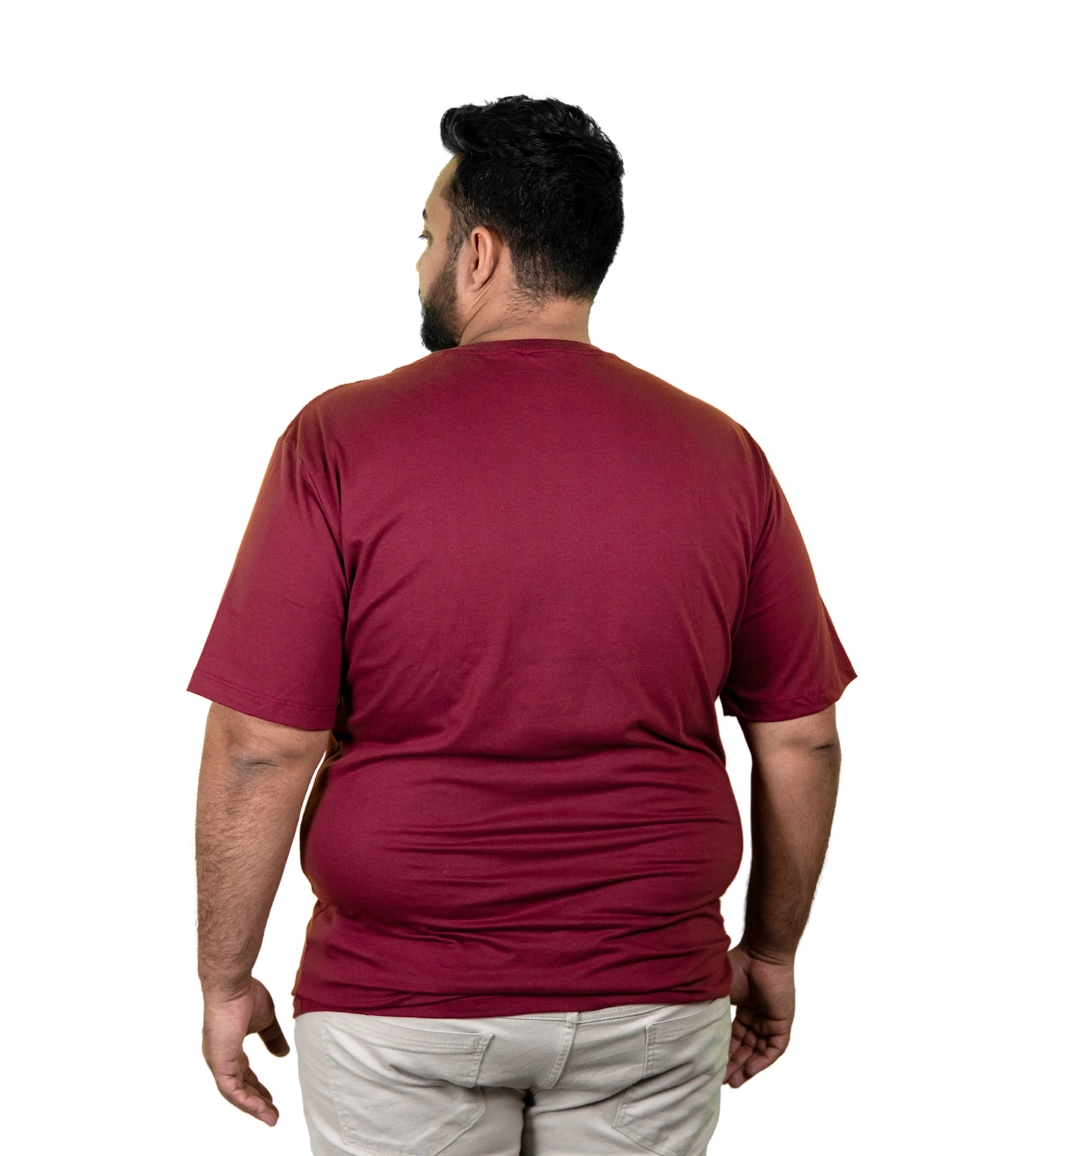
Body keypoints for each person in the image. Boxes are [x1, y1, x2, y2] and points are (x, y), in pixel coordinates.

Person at [188, 94, 856, 1155]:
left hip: (399, 1007)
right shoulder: (722, 454)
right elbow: (803, 736)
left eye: (428, 236)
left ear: (481, 252)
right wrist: (771, 951)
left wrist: (226, 979)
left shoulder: (339, 441)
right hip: (651, 997)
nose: (420, 263)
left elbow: (260, 747)